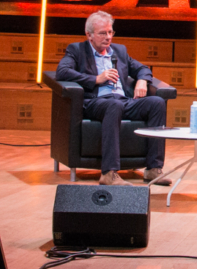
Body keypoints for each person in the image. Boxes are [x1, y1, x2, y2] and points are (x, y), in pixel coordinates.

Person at [55, 11, 168, 186]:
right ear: (89, 35)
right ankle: (109, 173)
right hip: (96, 102)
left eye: (110, 32)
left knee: (157, 103)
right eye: (102, 33)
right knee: (113, 105)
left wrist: (142, 81)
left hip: (123, 101)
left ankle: (153, 168)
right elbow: (62, 71)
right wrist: (95, 79)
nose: (108, 37)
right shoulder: (77, 50)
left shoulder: (119, 51)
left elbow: (142, 68)